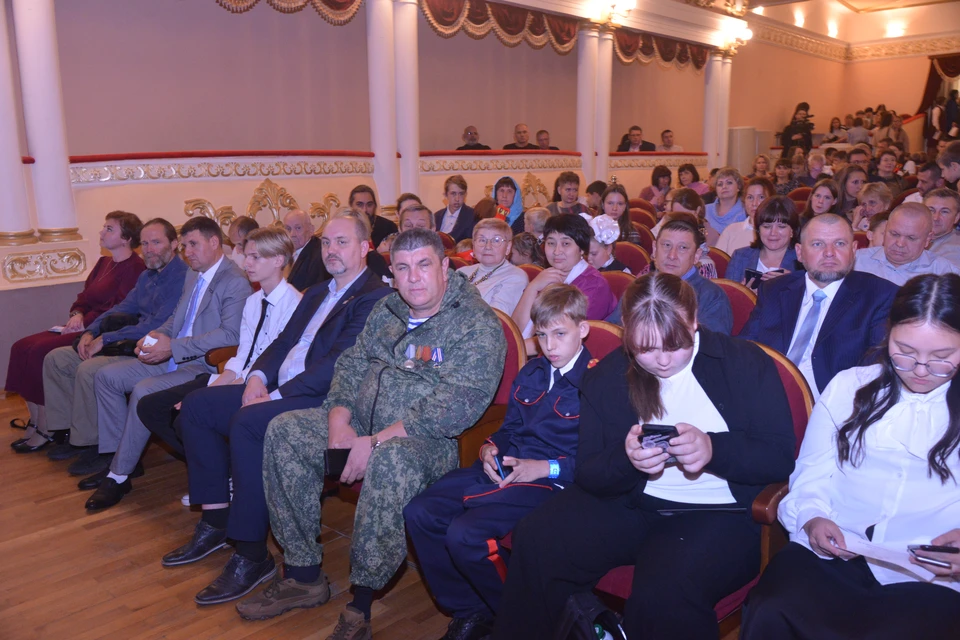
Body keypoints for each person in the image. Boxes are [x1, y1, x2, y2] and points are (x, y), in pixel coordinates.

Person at [491, 272, 796, 640]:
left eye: (675, 345)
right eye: (646, 350)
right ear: (626, 334)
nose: (663, 361)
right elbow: (589, 473)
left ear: (694, 321)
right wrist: (627, 459)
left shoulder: (744, 362)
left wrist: (714, 448)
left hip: (719, 514)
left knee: (663, 593)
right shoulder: (608, 375)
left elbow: (778, 457)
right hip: (632, 501)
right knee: (538, 538)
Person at [243, 229, 505, 635]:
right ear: (393, 274)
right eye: (403, 268)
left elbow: (455, 405)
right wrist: (338, 420)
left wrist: (376, 441)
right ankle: (302, 573)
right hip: (362, 426)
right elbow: (350, 365)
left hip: (429, 444)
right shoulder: (387, 310)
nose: (413, 277)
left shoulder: (475, 325)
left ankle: (360, 603)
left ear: (444, 267)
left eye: (423, 265)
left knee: (391, 459)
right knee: (286, 430)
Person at [158, 210, 390, 606]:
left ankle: (251, 553)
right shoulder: (318, 291)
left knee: (248, 423)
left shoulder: (374, 298)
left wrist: (275, 396)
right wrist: (256, 378)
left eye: (343, 242)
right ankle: (216, 520)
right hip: (280, 387)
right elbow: (281, 343)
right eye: (328, 242)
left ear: (365, 248)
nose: (331, 251)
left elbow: (335, 365)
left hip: (323, 398)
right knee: (197, 407)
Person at [741, 274, 960, 640]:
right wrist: (812, 517)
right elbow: (812, 472)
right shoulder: (852, 385)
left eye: (941, 358)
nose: (920, 370)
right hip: (837, 549)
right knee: (772, 608)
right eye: (905, 351)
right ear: (888, 334)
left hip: (931, 571)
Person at [404, 284, 591, 640]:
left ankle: (520, 624)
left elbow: (599, 460)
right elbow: (510, 428)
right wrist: (489, 448)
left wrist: (545, 467)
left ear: (583, 329)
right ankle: (471, 610)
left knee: (465, 534)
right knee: (420, 511)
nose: (550, 345)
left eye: (560, 334)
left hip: (552, 483)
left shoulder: (597, 381)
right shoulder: (533, 373)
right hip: (504, 466)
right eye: (541, 335)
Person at [80, 216, 253, 511]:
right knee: (107, 377)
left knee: (145, 391)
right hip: (174, 354)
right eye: (185, 246)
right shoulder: (193, 274)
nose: (188, 252)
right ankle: (121, 458)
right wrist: (155, 337)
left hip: (202, 365)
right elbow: (178, 318)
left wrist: (172, 347)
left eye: (193, 245)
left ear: (214, 243)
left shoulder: (234, 281)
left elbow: (230, 335)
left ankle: (118, 475)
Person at [134, 226, 301, 462]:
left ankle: (217, 473)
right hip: (238, 376)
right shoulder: (254, 301)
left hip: (263, 384)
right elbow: (243, 353)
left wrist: (218, 389)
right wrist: (217, 385)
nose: (246, 264)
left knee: (188, 415)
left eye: (255, 257)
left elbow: (272, 362)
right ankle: (218, 465)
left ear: (278, 260)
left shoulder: (294, 304)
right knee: (151, 406)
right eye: (246, 256)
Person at [38, 219, 187, 462]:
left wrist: (106, 338)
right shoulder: (147, 276)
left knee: (89, 370)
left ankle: (97, 446)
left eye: (156, 242)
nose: (149, 249)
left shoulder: (182, 278)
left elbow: (155, 326)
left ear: (174, 244)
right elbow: (122, 307)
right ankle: (69, 433)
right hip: (128, 341)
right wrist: (91, 330)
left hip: (152, 349)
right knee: (56, 359)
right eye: (145, 243)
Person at [8, 211, 146, 452]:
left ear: (126, 238)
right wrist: (77, 314)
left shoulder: (135, 267)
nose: (102, 232)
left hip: (98, 330)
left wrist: (87, 323)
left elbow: (119, 311)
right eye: (104, 227)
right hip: (82, 324)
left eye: (109, 229)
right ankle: (35, 420)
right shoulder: (103, 263)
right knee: (21, 346)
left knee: (40, 351)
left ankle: (48, 426)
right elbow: (83, 298)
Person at [740, 214, 897, 397]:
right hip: (765, 392)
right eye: (817, 244)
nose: (829, 252)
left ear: (854, 250)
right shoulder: (774, 289)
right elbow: (745, 348)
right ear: (799, 252)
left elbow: (874, 372)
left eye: (840, 244)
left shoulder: (880, 296)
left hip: (832, 404)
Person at [513, 214, 616, 343]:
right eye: (551, 243)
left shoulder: (595, 285)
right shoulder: (545, 277)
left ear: (582, 249)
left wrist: (517, 349)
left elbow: (564, 341)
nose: (557, 251)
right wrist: (532, 287)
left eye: (566, 243)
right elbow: (515, 330)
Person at [855, 203, 960, 286]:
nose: (900, 244)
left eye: (911, 238)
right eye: (894, 234)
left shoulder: (943, 273)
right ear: (886, 229)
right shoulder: (856, 262)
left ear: (928, 239)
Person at [457, 218, 529, 315]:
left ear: (508, 247)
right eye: (482, 240)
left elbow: (496, 318)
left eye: (496, 240)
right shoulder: (461, 272)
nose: (488, 246)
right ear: (473, 245)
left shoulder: (516, 277)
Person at [727, 195, 800, 289]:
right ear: (758, 229)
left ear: (792, 230)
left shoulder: (803, 262)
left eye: (781, 227)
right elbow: (726, 300)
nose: (773, 233)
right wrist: (744, 296)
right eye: (767, 226)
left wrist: (793, 283)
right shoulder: (740, 257)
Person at [716, 176, 775, 256]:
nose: (754, 203)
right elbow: (718, 263)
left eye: (761, 197)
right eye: (750, 197)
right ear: (744, 201)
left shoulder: (777, 233)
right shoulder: (731, 230)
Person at [284, 209, 327, 292]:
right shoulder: (284, 253)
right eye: (288, 229)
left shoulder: (319, 254)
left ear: (311, 230)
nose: (292, 234)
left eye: (298, 228)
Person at [434, 175, 476, 243]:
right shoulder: (436, 216)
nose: (457, 199)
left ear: (465, 195)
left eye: (461, 194)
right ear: (445, 195)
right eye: (453, 193)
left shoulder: (473, 216)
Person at [704, 167, 746, 235]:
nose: (724, 187)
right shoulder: (705, 210)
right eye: (720, 184)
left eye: (729, 183)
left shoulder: (744, 212)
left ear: (738, 187)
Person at [925, 188, 960, 266]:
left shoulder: (956, 250)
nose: (936, 218)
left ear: (957, 217)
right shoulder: (906, 236)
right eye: (931, 210)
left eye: (944, 211)